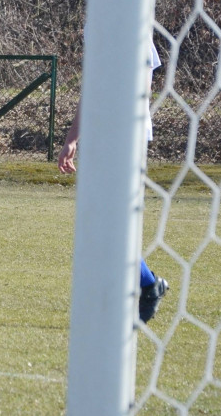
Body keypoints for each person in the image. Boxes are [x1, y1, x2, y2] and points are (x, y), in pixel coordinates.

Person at [57, 40, 169, 323]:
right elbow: (92, 86)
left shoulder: (134, 21)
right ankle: (142, 284)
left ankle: (144, 286)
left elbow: (142, 88)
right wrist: (72, 139)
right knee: (101, 223)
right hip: (101, 136)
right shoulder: (97, 22)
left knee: (115, 223)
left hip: (128, 136)